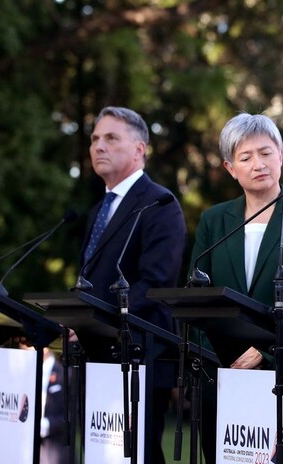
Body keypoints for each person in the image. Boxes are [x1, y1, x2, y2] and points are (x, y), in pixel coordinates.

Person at [189, 113, 283, 464]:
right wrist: (219, 360)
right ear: (230, 167)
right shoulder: (213, 221)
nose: (259, 164)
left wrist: (265, 350)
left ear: (281, 155)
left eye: (266, 152)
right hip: (224, 379)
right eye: (246, 157)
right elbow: (196, 299)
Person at [77, 106, 186, 464]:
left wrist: (92, 317)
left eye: (111, 138)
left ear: (139, 150)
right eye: (95, 139)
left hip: (138, 356)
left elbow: (155, 284)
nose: (99, 147)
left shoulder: (159, 203)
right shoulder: (99, 210)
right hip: (96, 358)